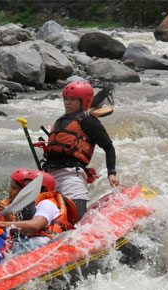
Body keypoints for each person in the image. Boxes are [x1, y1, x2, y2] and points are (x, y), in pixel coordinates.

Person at [41, 81, 119, 220]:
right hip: (49, 175)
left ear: (83, 102)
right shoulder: (62, 119)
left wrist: (111, 173)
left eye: (72, 100)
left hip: (72, 176)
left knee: (77, 220)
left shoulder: (89, 122)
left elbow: (109, 147)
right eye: (66, 99)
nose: (67, 103)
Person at [0, 170, 77, 251]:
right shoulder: (32, 206)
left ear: (44, 190)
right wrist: (6, 216)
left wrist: (0, 224)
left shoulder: (47, 204)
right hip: (34, 242)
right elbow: (16, 235)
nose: (26, 191)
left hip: (43, 243)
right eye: (25, 187)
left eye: (30, 187)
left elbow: (35, 226)